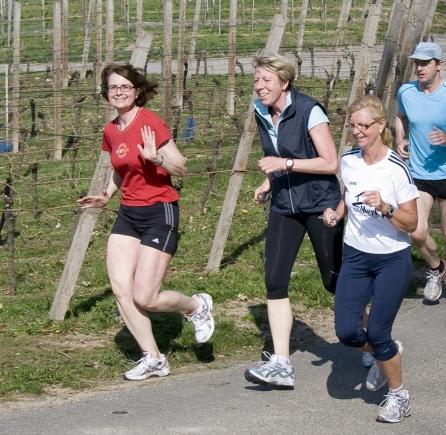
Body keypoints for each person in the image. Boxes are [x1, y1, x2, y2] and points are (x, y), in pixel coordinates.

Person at [78, 64, 215, 380]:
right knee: (121, 289)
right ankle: (153, 358)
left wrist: (158, 159)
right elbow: (121, 167)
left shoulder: (150, 122)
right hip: (129, 213)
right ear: (106, 94)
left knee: (146, 297)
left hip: (159, 211)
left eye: (125, 87)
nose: (119, 92)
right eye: (113, 88)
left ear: (137, 91)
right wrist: (107, 195)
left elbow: (182, 166)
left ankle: (196, 306)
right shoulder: (111, 130)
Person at [244, 55, 343, 389]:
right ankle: (282, 363)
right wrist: (268, 182)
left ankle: (373, 342)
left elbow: (330, 163)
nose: (259, 87)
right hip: (285, 205)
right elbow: (276, 158)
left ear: (284, 83)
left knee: (334, 280)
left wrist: (284, 164)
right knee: (274, 280)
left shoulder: (309, 110)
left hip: (319, 203)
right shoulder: (260, 110)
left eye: (266, 81)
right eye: (256, 80)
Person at [323, 95, 419, 423]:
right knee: (348, 331)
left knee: (378, 332)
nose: (358, 131)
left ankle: (398, 395)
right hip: (356, 256)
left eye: (364, 125)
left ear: (380, 127)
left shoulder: (396, 170)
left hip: (391, 259)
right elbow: (348, 196)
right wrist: (337, 213)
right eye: (353, 126)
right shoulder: (348, 160)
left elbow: (412, 223)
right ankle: (384, 355)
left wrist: (386, 208)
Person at [395, 42, 446, 306]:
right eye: (417, 63)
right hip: (419, 174)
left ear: (438, 65)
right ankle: (436, 268)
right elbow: (400, 116)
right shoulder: (406, 91)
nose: (420, 68)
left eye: (425, 63)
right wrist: (401, 139)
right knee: (416, 232)